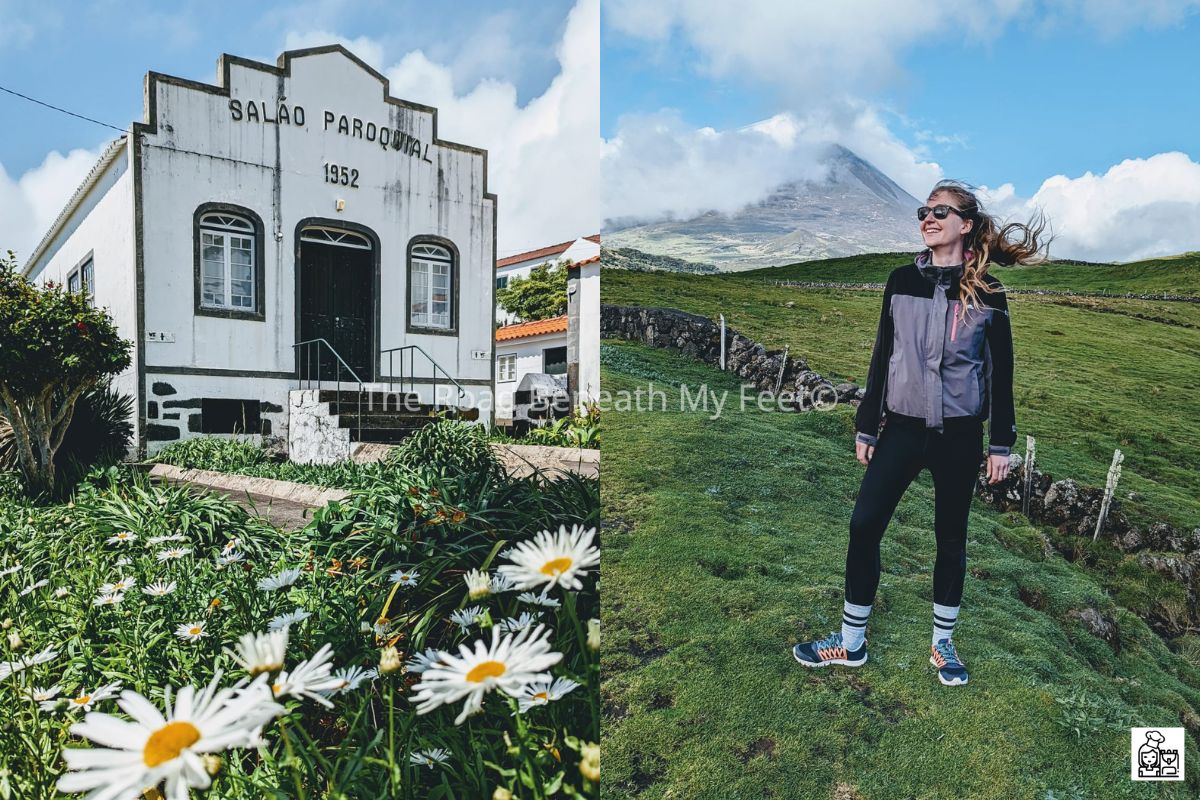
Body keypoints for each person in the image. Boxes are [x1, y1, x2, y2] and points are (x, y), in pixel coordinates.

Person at [792, 179, 1049, 686]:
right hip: (903, 429)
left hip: (959, 434)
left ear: (965, 224)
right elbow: (882, 356)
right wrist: (867, 426)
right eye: (923, 212)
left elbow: (1000, 373)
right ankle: (850, 641)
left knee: (950, 538)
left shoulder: (990, 293)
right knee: (864, 524)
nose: (927, 219)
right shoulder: (900, 280)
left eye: (939, 211)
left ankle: (942, 645)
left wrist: (1001, 444)